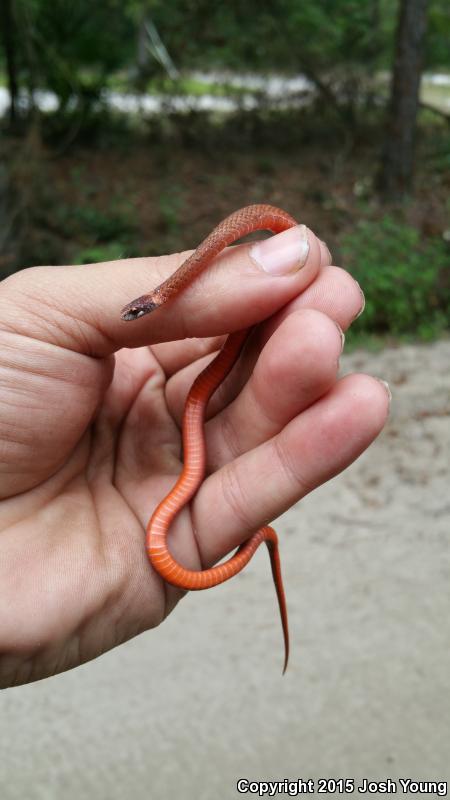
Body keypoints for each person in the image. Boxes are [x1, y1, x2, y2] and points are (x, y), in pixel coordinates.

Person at [0, 222, 390, 687]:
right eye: (137, 312)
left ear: (151, 301)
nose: (134, 317)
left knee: (289, 338)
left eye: (137, 312)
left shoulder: (170, 289)